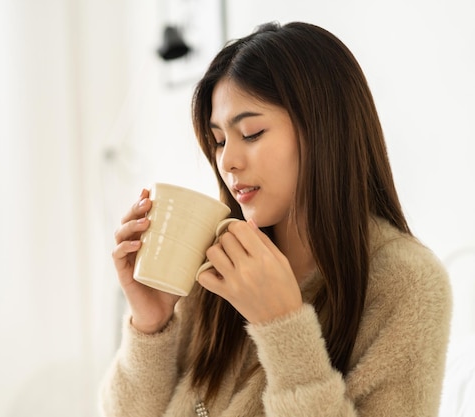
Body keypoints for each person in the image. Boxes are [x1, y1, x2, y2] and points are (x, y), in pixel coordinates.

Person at [100, 21, 452, 416]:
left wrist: (284, 328)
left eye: (251, 132)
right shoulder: (213, 267)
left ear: (322, 129)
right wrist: (151, 324)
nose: (228, 161)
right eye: (218, 141)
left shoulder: (406, 284)